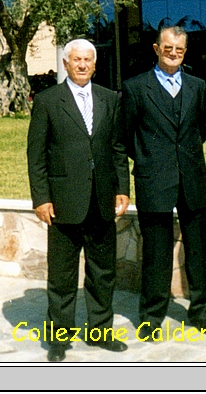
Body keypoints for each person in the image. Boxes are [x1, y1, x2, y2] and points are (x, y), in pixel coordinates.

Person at [27, 38, 130, 362]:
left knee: (102, 274)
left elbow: (117, 149)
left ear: (95, 64)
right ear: (66, 63)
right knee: (62, 276)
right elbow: (36, 155)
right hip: (63, 203)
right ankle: (60, 338)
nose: (83, 65)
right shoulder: (47, 101)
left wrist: (122, 188)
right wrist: (41, 198)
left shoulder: (110, 99)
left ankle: (100, 331)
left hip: (101, 201)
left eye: (88, 60)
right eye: (76, 60)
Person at [122, 26, 206, 340]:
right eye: (167, 47)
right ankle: (151, 317)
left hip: (191, 179)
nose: (173, 53)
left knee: (198, 251)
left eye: (179, 48)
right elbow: (127, 136)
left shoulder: (198, 86)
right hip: (154, 181)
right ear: (156, 48)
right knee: (156, 254)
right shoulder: (135, 88)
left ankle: (200, 311)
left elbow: (202, 128)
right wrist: (152, 160)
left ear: (185, 52)